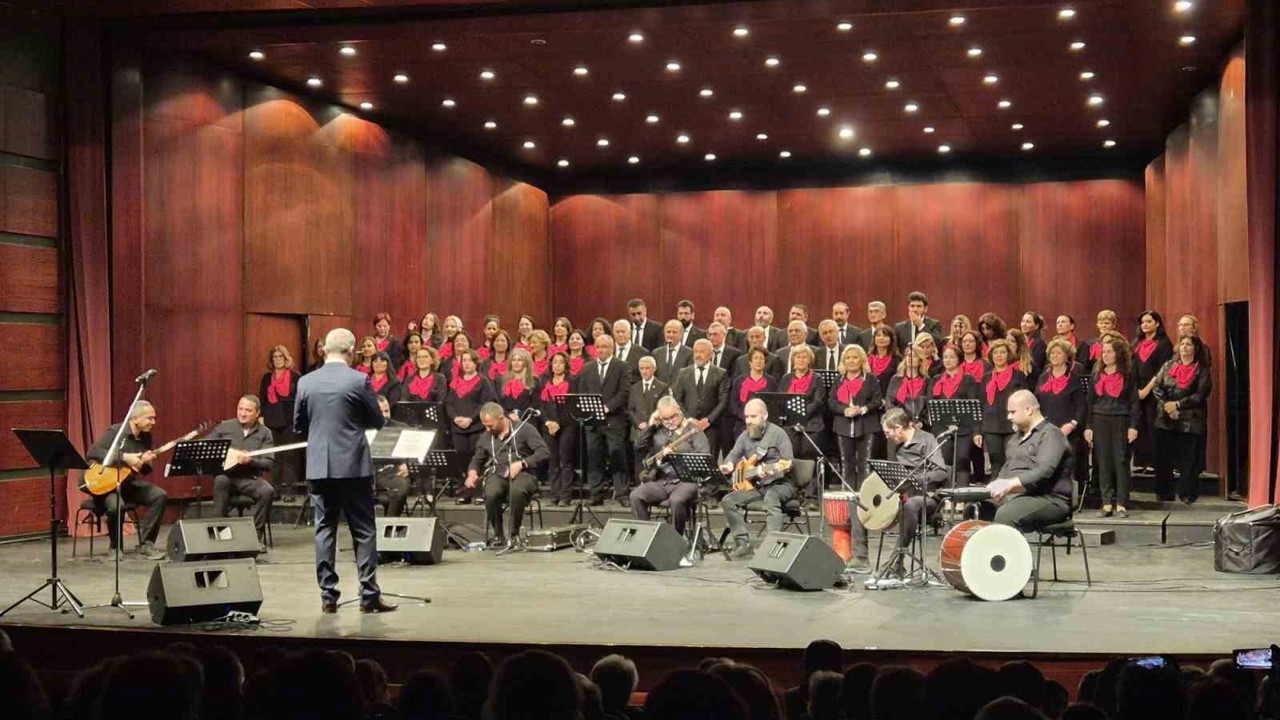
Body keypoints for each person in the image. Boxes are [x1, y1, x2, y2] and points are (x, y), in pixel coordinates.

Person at [293, 328, 393, 613]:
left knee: (324, 529)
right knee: (363, 530)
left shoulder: (306, 381)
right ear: (351, 351)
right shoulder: (358, 380)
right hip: (352, 465)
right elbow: (378, 421)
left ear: (324, 350)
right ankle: (369, 595)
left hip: (318, 465)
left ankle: (328, 597)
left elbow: (299, 425)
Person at [848, 408, 948, 574]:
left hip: (926, 496)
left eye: (888, 432)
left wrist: (915, 477)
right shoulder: (895, 444)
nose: (887, 436)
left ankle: (896, 563)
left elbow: (941, 472)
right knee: (856, 501)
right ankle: (861, 558)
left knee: (909, 505)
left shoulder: (927, 439)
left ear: (899, 428)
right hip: (900, 491)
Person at [85, 401, 168, 559]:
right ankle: (115, 548)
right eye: (149, 418)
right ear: (135, 418)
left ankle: (146, 544)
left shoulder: (145, 437)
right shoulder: (116, 431)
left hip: (127, 484)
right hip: (107, 486)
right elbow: (94, 452)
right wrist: (125, 457)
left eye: (154, 418)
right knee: (115, 506)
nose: (153, 422)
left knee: (159, 495)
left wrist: (146, 462)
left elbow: (144, 471)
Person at [466, 402, 550, 550]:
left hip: (524, 473)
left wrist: (522, 463)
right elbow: (477, 460)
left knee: (516, 491)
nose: (487, 429)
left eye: (490, 425)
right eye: (485, 426)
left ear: (501, 418)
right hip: (498, 473)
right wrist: (472, 473)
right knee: (491, 493)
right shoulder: (486, 437)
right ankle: (499, 535)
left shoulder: (524, 429)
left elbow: (543, 452)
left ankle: (514, 534)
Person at [719, 398, 796, 559]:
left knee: (771, 497)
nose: (748, 421)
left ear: (765, 416)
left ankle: (772, 546)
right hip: (757, 486)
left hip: (781, 484)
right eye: (747, 417)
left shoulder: (778, 434)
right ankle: (742, 543)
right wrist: (728, 465)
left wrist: (771, 472)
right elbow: (733, 455)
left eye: (753, 416)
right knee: (728, 500)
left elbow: (788, 463)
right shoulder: (744, 435)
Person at [988, 390, 1074, 532]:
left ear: (1028, 410)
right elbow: (1007, 468)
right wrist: (997, 485)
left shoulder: (1052, 434)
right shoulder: (1015, 439)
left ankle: (1008, 547)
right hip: (1021, 496)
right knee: (980, 508)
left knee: (1006, 514)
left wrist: (1010, 484)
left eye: (1012, 412)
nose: (1009, 417)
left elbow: (1044, 470)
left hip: (1050, 499)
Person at [631, 396, 710, 535]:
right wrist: (652, 425)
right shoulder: (657, 430)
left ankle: (675, 539)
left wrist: (676, 455)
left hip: (686, 481)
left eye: (673, 416)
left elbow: (704, 458)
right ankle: (646, 537)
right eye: (665, 419)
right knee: (636, 495)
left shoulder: (693, 430)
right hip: (662, 481)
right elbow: (639, 447)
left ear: (679, 410)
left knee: (676, 500)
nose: (670, 421)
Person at [1153, 336, 1213, 504]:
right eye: (1182, 344)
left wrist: (1178, 405)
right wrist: (1168, 406)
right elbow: (1157, 387)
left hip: (1190, 419)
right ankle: (1164, 493)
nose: (1184, 347)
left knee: (1188, 459)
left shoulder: (1202, 370)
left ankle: (1187, 493)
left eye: (1188, 344)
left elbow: (1200, 395)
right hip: (1166, 417)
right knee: (1163, 457)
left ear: (1195, 349)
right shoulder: (1168, 365)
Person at [209, 394, 276, 544]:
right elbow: (205, 446)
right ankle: (219, 531)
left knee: (267, 491)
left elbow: (268, 463)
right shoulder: (225, 426)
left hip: (249, 479)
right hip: (227, 476)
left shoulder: (265, 432)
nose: (243, 413)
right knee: (220, 480)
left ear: (257, 413)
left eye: (248, 410)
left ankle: (255, 536)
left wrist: (251, 461)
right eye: (240, 409)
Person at [1085, 335, 1140, 518]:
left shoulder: (1128, 375)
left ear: (1118, 354)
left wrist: (1133, 425)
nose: (1105, 355)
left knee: (1121, 461)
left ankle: (1122, 503)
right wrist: (1088, 426)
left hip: (1120, 419)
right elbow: (1090, 402)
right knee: (1103, 462)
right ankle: (1107, 502)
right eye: (1104, 352)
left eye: (1109, 351)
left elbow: (1134, 401)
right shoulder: (1096, 375)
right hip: (1100, 419)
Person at [579, 334, 632, 505]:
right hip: (593, 421)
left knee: (617, 455)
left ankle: (622, 494)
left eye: (605, 347)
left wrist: (608, 407)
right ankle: (596, 494)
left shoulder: (622, 366)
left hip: (614, 419)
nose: (601, 350)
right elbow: (582, 391)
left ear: (612, 348)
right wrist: (592, 410)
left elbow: (624, 392)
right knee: (594, 456)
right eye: (598, 347)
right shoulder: (587, 368)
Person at [445, 348, 498, 504]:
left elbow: (485, 403)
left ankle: (479, 492)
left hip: (476, 427)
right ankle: (466, 491)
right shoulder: (455, 382)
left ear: (476, 363)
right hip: (458, 428)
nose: (466, 363)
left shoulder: (483, 382)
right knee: (462, 459)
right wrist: (455, 418)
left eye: (469, 360)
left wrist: (470, 419)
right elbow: (449, 403)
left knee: (478, 458)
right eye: (464, 361)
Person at [830, 344, 883, 490]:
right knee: (847, 463)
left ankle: (864, 496)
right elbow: (832, 401)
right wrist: (844, 410)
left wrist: (862, 409)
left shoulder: (871, 379)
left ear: (861, 360)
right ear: (843, 361)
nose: (851, 361)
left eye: (855, 357)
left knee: (864, 463)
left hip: (867, 426)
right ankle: (848, 495)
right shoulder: (839, 380)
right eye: (848, 358)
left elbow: (877, 400)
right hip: (843, 426)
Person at [976, 339, 1029, 479]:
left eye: (1002, 352)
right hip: (991, 426)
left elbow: (1025, 400)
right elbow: (981, 404)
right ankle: (995, 490)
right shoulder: (986, 378)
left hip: (1012, 426)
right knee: (996, 464)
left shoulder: (1018, 375)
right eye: (996, 353)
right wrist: (978, 430)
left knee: (1012, 461)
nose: (999, 356)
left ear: (1008, 355)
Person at [929, 345, 981, 487]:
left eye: (952, 357)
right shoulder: (936, 380)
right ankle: (947, 492)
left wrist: (977, 430)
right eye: (945, 357)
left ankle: (962, 494)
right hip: (942, 427)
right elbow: (930, 404)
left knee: (962, 458)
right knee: (945, 458)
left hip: (964, 428)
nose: (948, 360)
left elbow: (974, 405)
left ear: (959, 359)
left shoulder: (968, 380)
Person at [671, 339, 730, 460]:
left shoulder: (720, 373)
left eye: (702, 352)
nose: (698, 355)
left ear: (711, 354)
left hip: (711, 428)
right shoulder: (683, 373)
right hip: (687, 427)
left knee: (709, 462)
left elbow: (723, 401)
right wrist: (689, 418)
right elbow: (677, 399)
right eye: (696, 351)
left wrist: (708, 420)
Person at [1132, 310, 1174, 472]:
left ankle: (1154, 463)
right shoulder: (1137, 343)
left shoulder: (1164, 344)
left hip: (1155, 389)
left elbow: (1162, 370)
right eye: (1142, 322)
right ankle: (1141, 462)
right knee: (1140, 425)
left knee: (1153, 426)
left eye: (1149, 321)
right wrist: (1136, 389)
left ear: (1157, 323)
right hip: (1137, 389)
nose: (1145, 325)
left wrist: (1146, 390)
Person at [258, 344, 300, 496]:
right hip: (271, 421)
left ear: (286, 358)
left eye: (280, 356)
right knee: (275, 457)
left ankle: (289, 490)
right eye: (274, 357)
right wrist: (261, 418)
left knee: (289, 456)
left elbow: (299, 399)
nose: (277, 359)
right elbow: (263, 399)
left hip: (289, 422)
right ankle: (274, 490)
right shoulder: (267, 378)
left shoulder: (295, 377)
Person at [540, 352, 577, 506]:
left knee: (566, 460)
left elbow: (573, 406)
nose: (557, 365)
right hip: (549, 426)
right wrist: (548, 422)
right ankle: (554, 494)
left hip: (567, 426)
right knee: (553, 460)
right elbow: (541, 405)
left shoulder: (572, 381)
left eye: (561, 362)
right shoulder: (544, 381)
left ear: (566, 364)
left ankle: (566, 496)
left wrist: (558, 423)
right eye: (555, 362)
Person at [374, 395, 412, 517]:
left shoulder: (401, 428)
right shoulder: (362, 428)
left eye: (387, 411)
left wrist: (407, 464)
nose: (385, 415)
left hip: (392, 473)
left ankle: (390, 523)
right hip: (370, 474)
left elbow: (414, 451)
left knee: (402, 485)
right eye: (380, 412)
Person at [654, 319, 693, 385]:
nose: (671, 335)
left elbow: (689, 378)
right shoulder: (656, 353)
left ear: (681, 334)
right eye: (668, 332)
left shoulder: (689, 353)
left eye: (674, 332)